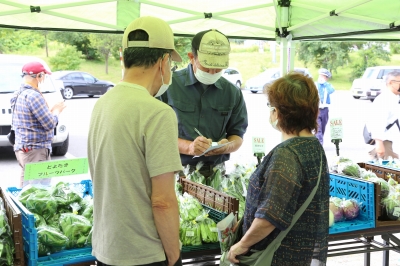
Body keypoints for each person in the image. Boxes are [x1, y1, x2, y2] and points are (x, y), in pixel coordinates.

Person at [87, 16, 183, 266]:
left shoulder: (102, 104)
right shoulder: (157, 112)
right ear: (163, 62)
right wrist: (174, 255)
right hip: (144, 254)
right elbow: (163, 201)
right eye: (171, 64)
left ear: (124, 57)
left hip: (107, 248)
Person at [227, 73, 330, 265]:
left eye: (271, 107)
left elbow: (269, 217)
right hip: (300, 254)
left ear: (277, 113)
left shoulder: (286, 155)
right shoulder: (314, 146)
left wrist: (241, 244)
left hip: (277, 256)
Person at [159, 29, 248, 177]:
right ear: (191, 57)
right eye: (206, 67)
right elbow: (155, 135)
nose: (212, 72)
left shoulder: (232, 92)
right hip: (175, 170)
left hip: (215, 173)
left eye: (218, 68)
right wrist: (189, 147)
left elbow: (237, 135)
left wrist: (226, 147)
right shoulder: (168, 85)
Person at [10, 61, 66, 188]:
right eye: (43, 76)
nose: (43, 79)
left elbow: (31, 119)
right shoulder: (34, 96)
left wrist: (49, 111)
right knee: (39, 191)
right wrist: (57, 111)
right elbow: (49, 124)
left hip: (23, 148)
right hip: (36, 151)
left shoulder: (18, 93)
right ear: (39, 76)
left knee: (26, 188)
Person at [367, 71, 400, 159]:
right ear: (391, 83)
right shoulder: (384, 99)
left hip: (391, 142)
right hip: (385, 142)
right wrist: (379, 144)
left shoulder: (393, 97)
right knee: (390, 170)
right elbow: (378, 122)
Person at [315, 68, 335, 146]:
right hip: (316, 109)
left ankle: (318, 140)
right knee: (318, 127)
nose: (322, 78)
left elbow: (331, 90)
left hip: (325, 109)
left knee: (322, 127)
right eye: (321, 76)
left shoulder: (328, 85)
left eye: (324, 77)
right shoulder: (315, 84)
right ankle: (319, 144)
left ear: (326, 78)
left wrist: (325, 84)